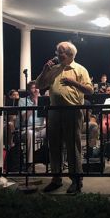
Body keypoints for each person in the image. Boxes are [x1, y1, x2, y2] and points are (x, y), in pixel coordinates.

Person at [36, 41, 93, 194]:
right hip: (54, 111)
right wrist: (44, 71)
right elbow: (39, 85)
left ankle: (76, 180)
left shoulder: (80, 69)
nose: (57, 54)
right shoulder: (54, 69)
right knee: (54, 146)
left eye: (59, 52)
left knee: (72, 146)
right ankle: (56, 179)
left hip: (73, 111)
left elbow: (90, 90)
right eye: (57, 51)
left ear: (69, 54)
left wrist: (73, 82)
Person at [18, 81, 46, 167]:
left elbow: (47, 116)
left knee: (53, 130)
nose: (36, 90)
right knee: (30, 134)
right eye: (33, 88)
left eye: (37, 88)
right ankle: (30, 163)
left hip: (41, 128)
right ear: (29, 90)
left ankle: (49, 158)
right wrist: (34, 104)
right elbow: (24, 118)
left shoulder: (43, 100)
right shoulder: (23, 101)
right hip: (27, 128)